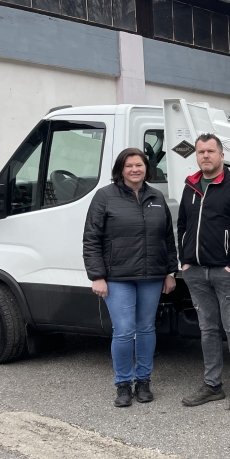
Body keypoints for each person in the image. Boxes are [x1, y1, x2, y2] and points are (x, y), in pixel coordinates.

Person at [83, 148, 177, 407]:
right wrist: (97, 276)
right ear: (121, 170)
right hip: (117, 277)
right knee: (124, 331)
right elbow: (91, 238)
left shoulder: (156, 196)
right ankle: (123, 384)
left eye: (139, 165)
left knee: (146, 328)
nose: (135, 169)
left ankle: (143, 381)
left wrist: (170, 272)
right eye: (129, 166)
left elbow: (167, 238)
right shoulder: (105, 196)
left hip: (152, 276)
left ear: (147, 168)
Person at [177, 133, 230, 411]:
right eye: (201, 152)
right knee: (207, 329)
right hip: (196, 272)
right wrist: (185, 260)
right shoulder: (191, 186)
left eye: (210, 151)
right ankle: (212, 385)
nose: (205, 156)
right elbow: (182, 225)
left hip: (227, 272)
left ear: (221, 155)